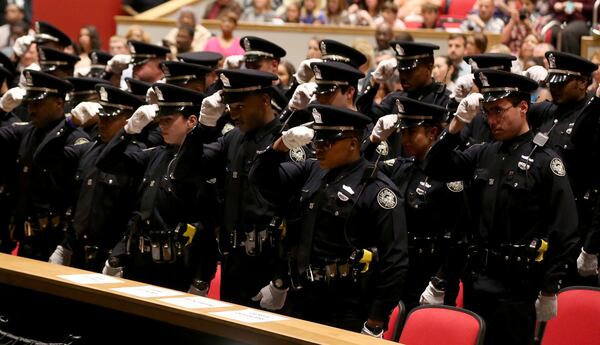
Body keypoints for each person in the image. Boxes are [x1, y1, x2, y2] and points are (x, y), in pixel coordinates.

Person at [423, 69, 579, 345]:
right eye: (487, 112)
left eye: (499, 110)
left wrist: (549, 286)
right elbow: (434, 166)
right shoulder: (484, 153)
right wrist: (457, 125)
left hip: (518, 287)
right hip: (476, 280)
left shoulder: (545, 161)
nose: (492, 120)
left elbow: (565, 229)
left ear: (522, 107)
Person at [248, 104, 408, 336]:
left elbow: (395, 262)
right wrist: (280, 145)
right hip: (302, 295)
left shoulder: (377, 190)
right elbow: (260, 178)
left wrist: (375, 321)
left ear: (353, 144)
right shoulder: (313, 170)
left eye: (327, 143)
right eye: (317, 142)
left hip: (346, 306)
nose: (318, 149)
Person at [172, 69, 292, 308]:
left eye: (240, 106)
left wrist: (281, 279)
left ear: (265, 100)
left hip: (267, 266)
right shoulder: (233, 138)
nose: (233, 114)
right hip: (231, 261)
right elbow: (183, 172)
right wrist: (203, 128)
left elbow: (296, 216)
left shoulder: (285, 141)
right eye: (230, 107)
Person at [100, 83, 218, 295]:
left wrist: (201, 279)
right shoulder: (155, 154)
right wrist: (128, 130)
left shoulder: (205, 160)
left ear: (192, 121)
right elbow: (106, 163)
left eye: (169, 120)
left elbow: (207, 224)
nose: (162, 127)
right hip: (139, 262)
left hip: (177, 268)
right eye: (160, 121)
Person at [47, 84, 145, 271]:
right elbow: (44, 158)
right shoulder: (89, 149)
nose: (102, 122)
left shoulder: (135, 156)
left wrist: (118, 256)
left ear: (128, 120)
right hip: (75, 252)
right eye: (101, 116)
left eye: (110, 118)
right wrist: (69, 124)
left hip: (109, 259)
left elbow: (136, 213)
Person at [0, 70, 89, 260]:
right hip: (25, 237)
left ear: (59, 102)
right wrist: (1, 109)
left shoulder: (75, 138)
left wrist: (69, 125)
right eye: (30, 104)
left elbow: (46, 156)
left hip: (54, 240)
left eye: (38, 103)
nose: (31, 110)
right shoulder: (28, 131)